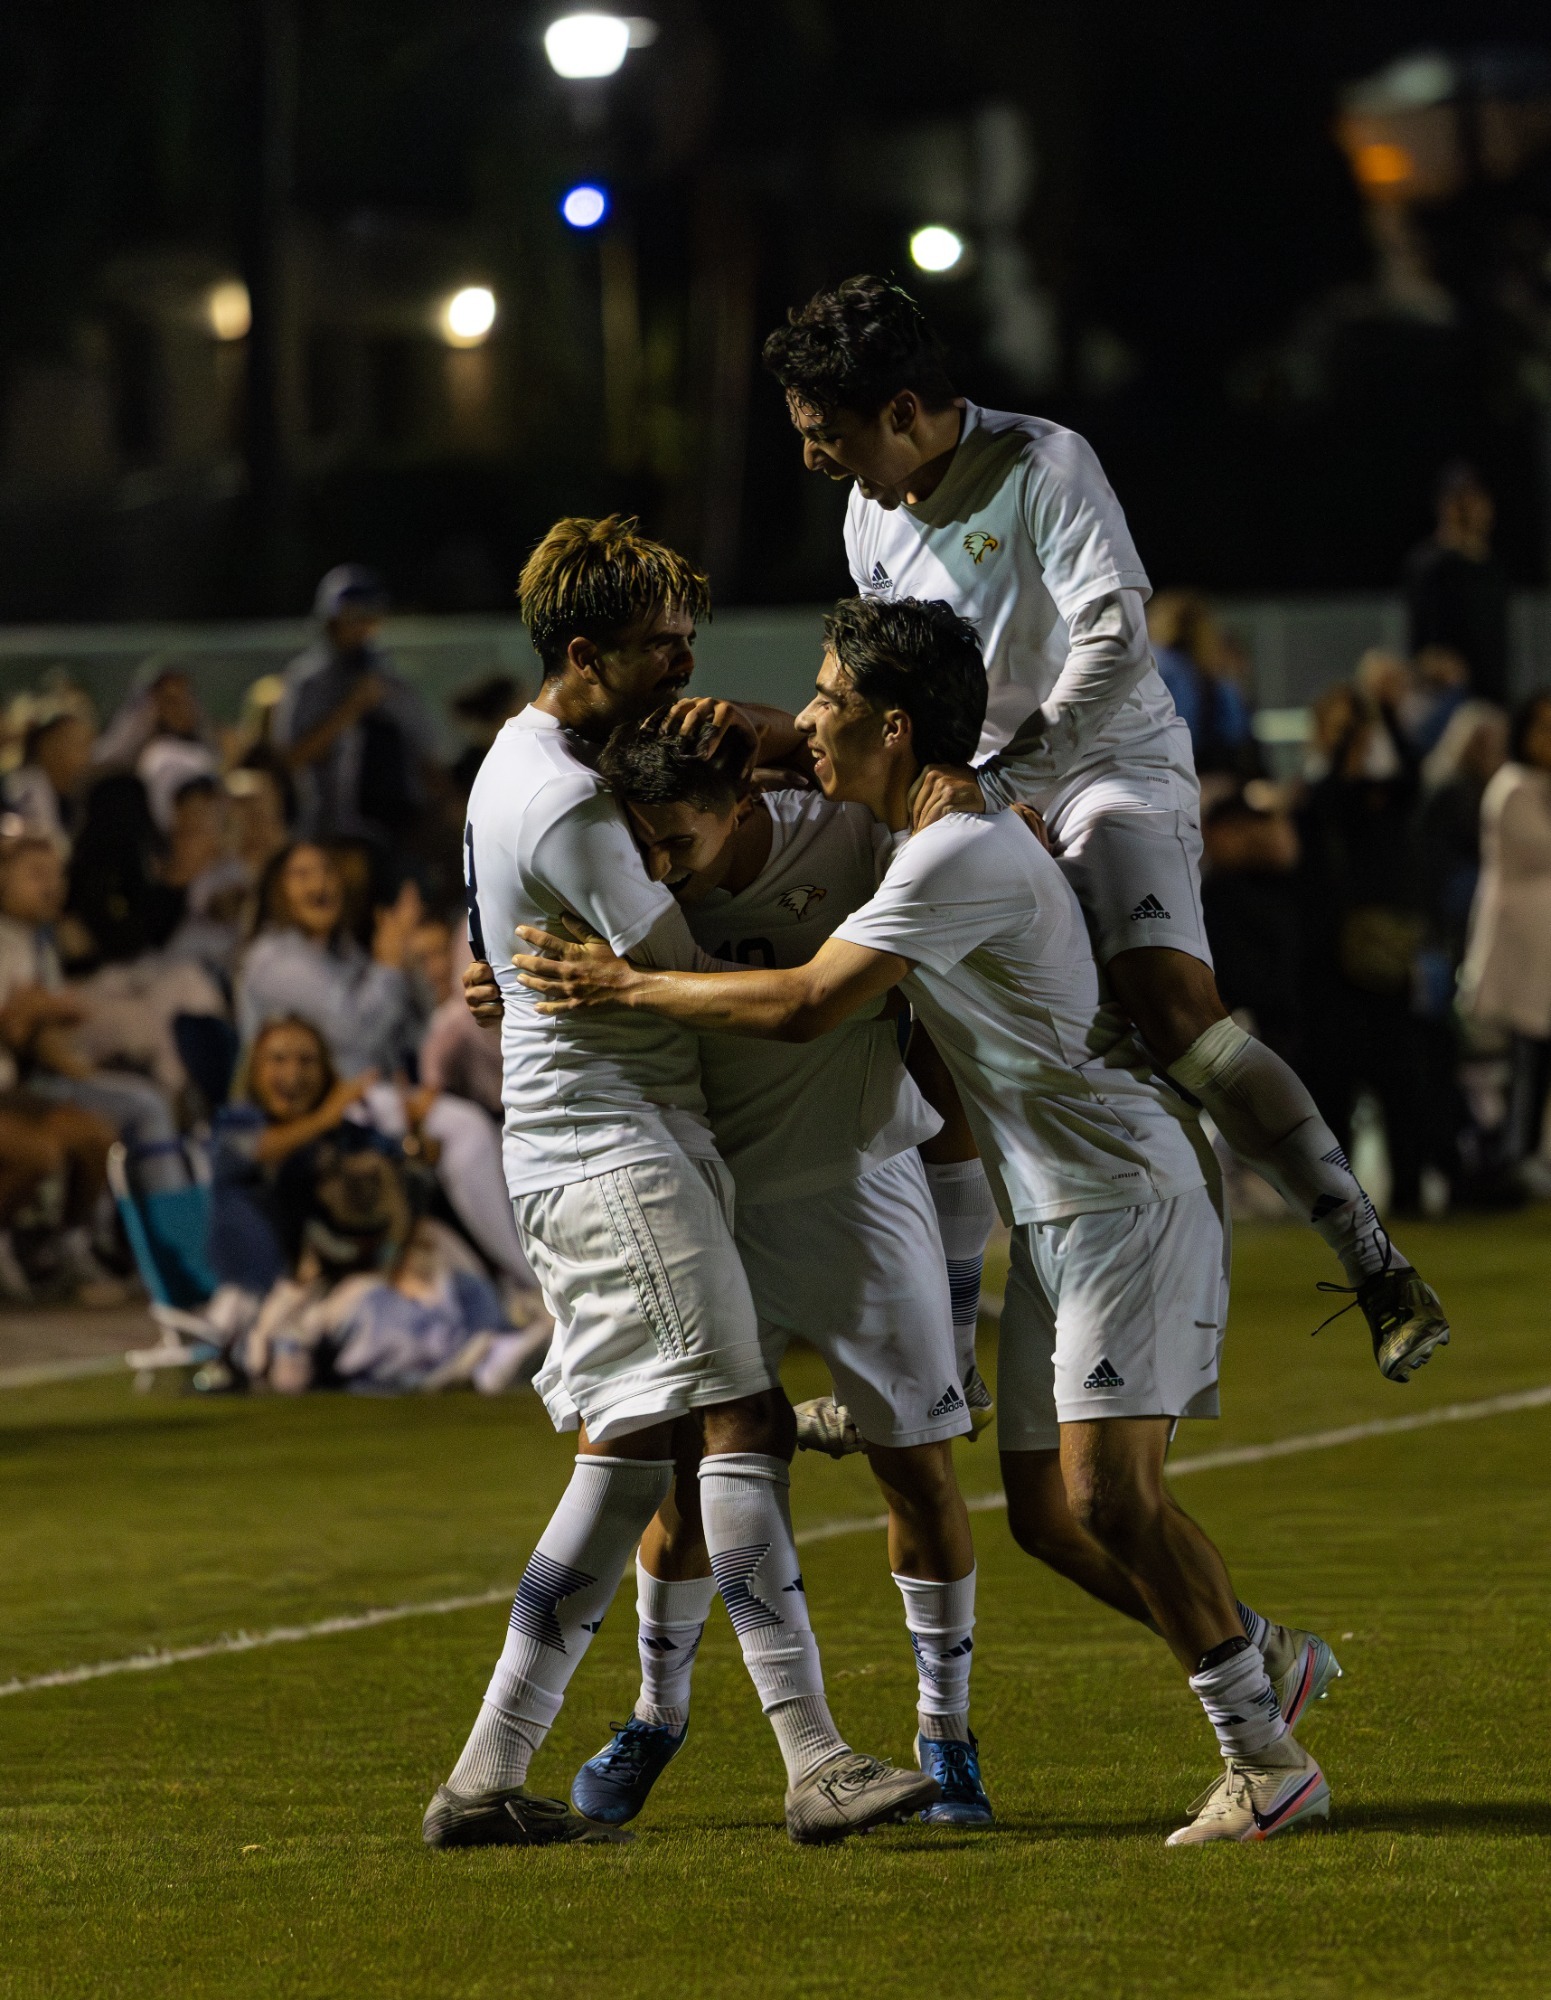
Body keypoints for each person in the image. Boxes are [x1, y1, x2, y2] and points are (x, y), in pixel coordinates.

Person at [513, 594, 1339, 1847]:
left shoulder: (925, 851)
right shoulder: (908, 833)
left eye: (829, 697)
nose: (806, 719)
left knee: (1090, 1496)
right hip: (1006, 1203)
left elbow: (817, 1005)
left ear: (891, 728)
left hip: (1086, 1190)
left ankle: (1230, 1753)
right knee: (1048, 1514)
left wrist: (628, 984)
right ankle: (1261, 1671)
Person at [760, 274, 1448, 1383]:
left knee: (1171, 1007)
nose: (811, 458)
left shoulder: (1043, 463)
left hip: (1103, 769)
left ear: (900, 410)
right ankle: (945, 1361)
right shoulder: (867, 514)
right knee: (928, 1041)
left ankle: (1374, 1261)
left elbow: (1117, 642)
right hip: (976, 787)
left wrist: (1005, 780)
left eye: (826, 433)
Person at [428, 515, 938, 1851]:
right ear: (583, 654)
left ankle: (483, 1777)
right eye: (661, 645)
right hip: (613, 1147)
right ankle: (812, 1758)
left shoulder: (519, 762)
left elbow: (523, 937)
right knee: (739, 1420)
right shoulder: (569, 801)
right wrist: (834, 963)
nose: (685, 664)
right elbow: (676, 969)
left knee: (624, 1457)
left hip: (591, 1142)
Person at [554, 715, 988, 1830]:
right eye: (645, 843)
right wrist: (494, 985)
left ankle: (946, 1737)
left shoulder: (847, 839)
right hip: (714, 1203)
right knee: (686, 1479)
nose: (659, 867)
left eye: (679, 842)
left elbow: (950, 843)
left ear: (742, 807)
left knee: (919, 1472)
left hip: (861, 1190)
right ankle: (657, 1711)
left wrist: (977, 797)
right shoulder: (628, 872)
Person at [235, 843, 535, 1288]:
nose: (320, 882)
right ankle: (529, 1276)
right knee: (466, 1130)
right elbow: (355, 1029)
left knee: (487, 1116)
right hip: (321, 1108)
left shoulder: (343, 954)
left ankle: (508, 1274)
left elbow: (408, 1032)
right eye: (301, 874)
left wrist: (405, 963)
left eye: (327, 870)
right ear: (277, 891)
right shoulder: (273, 959)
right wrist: (390, 964)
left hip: (378, 1094)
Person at [271, 566, 441, 861]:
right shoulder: (307, 681)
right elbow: (289, 758)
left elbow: (425, 753)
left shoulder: (390, 678)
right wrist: (350, 708)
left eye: (368, 617)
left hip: (398, 828)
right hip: (329, 827)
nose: (360, 627)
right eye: (351, 617)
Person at [1458, 692, 1551, 1177]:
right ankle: (1516, 1153)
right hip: (1522, 945)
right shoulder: (1514, 787)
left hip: (1539, 945)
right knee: (1524, 1056)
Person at [1403, 463, 1510, 705]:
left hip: (1491, 694)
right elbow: (1424, 646)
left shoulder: (1491, 566)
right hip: (1447, 697)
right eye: (1463, 501)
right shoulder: (1431, 564)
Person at [3, 709, 96, 848]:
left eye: (91, 746)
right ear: (47, 747)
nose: (89, 757)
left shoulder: (74, 800)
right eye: (79, 745)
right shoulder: (19, 789)